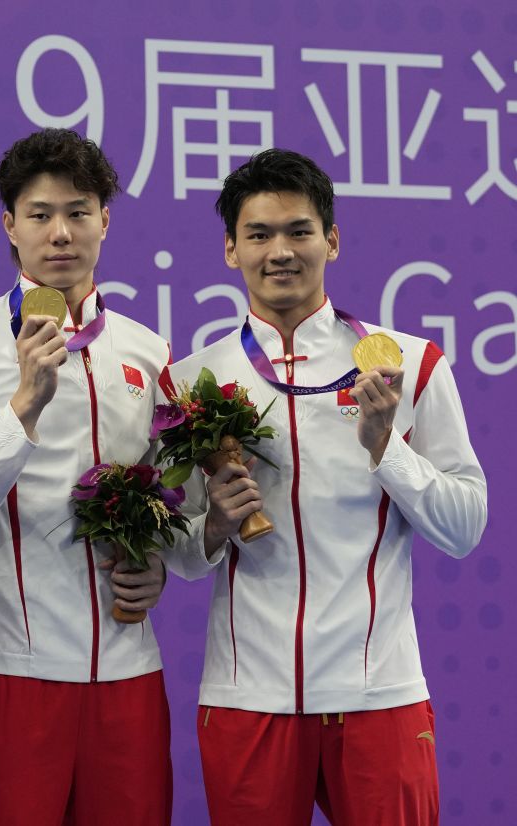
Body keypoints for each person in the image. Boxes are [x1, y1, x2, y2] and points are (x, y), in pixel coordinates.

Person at [164, 148, 488, 825]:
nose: (280, 251)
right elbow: (181, 558)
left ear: (331, 241)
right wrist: (216, 525)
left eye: (299, 231)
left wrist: (385, 446)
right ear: (230, 250)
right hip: (250, 697)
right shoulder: (193, 381)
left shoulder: (408, 363)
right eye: (258, 235)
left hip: (381, 696)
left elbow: (464, 527)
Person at [0, 128, 173, 825]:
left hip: (128, 678)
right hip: (9, 678)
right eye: (40, 214)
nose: (61, 233)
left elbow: (172, 505)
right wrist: (22, 408)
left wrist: (161, 565)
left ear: (105, 221)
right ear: (10, 225)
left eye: (79, 212)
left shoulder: (148, 352)